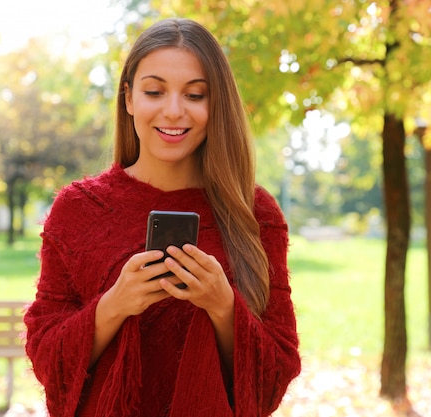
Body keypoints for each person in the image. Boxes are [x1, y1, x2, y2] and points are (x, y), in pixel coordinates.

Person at [24, 17, 301, 417]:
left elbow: (277, 369)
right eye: (154, 91)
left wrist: (223, 306)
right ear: (129, 99)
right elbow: (48, 359)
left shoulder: (255, 214)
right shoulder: (79, 210)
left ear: (215, 103)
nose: (173, 111)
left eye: (195, 95)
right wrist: (116, 304)